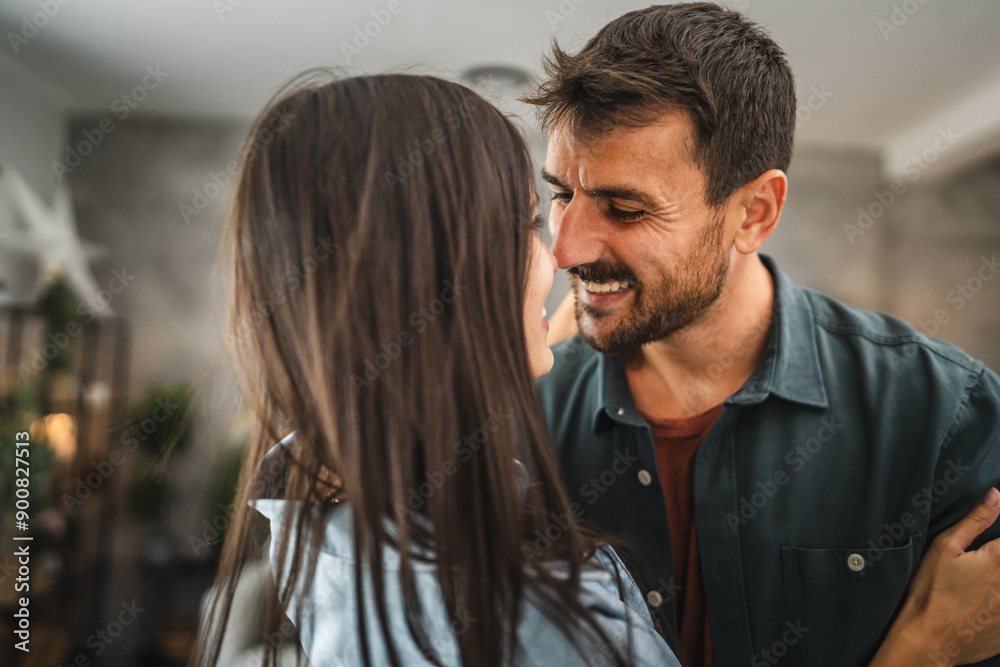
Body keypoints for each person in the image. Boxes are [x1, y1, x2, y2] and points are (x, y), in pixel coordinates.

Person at [523, 3, 1000, 666]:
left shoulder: (945, 415)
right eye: (561, 195)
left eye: (624, 209)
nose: (566, 249)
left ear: (754, 212)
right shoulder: (526, 427)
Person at [192, 72, 679, 667]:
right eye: (529, 225)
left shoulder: (314, 520)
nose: (557, 257)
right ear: (436, 280)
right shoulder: (543, 621)